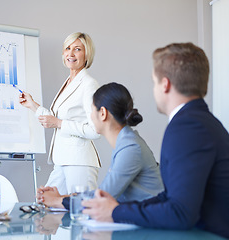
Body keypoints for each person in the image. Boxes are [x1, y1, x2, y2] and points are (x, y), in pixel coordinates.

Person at [82, 43, 229, 238]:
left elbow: (180, 213)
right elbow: (170, 198)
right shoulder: (200, 121)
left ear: (165, 84)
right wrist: (116, 208)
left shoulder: (188, 127)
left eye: (154, 82)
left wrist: (115, 212)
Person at [37, 83, 164, 209]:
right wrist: (61, 197)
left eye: (92, 110)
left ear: (103, 113)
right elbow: (102, 191)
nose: (91, 116)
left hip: (152, 222)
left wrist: (56, 201)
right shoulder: (126, 142)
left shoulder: (130, 148)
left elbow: (102, 197)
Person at [19, 32, 101, 195]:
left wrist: (58, 123)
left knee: (81, 211)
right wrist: (33, 105)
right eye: (67, 48)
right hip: (63, 160)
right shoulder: (68, 83)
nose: (70, 53)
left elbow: (95, 130)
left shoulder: (89, 85)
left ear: (87, 54)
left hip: (79, 161)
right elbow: (56, 118)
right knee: (47, 204)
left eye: (77, 49)